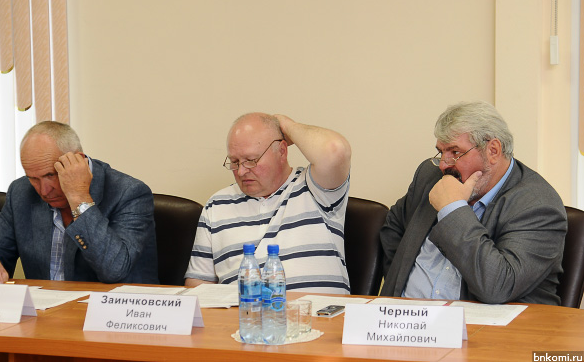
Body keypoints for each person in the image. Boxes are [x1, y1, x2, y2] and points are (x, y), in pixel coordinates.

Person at [380, 101, 567, 305]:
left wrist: (452, 209)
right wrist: (400, 282)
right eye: (441, 152)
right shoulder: (430, 175)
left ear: (493, 150)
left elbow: (497, 287)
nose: (443, 165)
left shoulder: (538, 205)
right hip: (401, 317)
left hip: (482, 323)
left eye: (455, 152)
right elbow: (393, 226)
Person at [185, 113, 351, 294]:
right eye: (235, 162)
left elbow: (335, 150)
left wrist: (286, 125)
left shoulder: (317, 188)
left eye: (251, 160)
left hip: (318, 311)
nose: (241, 171)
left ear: (282, 151)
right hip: (244, 311)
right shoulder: (217, 205)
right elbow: (197, 285)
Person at [0, 121, 158, 284]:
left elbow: (114, 270)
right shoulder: (20, 192)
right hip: (44, 309)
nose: (44, 190)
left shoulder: (129, 193)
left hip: (111, 309)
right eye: (33, 178)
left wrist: (79, 198)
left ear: (78, 162)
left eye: (50, 175)